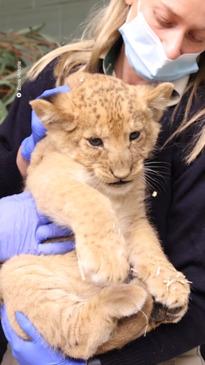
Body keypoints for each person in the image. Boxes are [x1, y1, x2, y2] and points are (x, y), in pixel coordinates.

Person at [0, 0, 205, 364]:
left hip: (156, 343)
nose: (172, 48)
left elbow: (199, 295)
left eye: (198, 36)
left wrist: (99, 361)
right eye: (164, 19)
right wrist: (19, 160)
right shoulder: (48, 71)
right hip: (42, 302)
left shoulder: (197, 125)